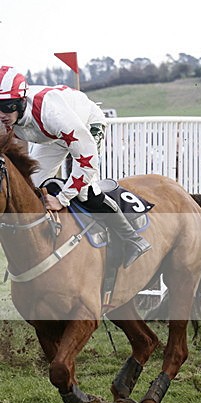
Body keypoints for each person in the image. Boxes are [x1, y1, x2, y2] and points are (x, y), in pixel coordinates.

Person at [0, 66, 150, 268]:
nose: (2, 114)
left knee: (85, 191)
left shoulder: (52, 114)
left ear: (21, 101)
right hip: (52, 137)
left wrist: (62, 198)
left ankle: (133, 239)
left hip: (85, 125)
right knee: (30, 188)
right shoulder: (9, 115)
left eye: (8, 106)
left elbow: (86, 160)